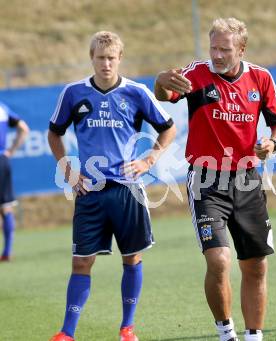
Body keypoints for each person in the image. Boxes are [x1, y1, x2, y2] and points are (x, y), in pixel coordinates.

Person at [154, 17, 276, 341]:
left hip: (246, 180)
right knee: (219, 259)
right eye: (213, 47)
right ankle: (225, 332)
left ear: (241, 49)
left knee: (256, 266)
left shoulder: (261, 78)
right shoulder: (197, 74)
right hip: (206, 180)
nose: (216, 55)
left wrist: (272, 143)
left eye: (224, 49)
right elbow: (164, 94)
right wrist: (161, 80)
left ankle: (254, 336)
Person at [47, 31, 176, 341]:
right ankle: (67, 333)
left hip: (127, 189)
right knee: (81, 261)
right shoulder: (74, 93)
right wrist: (66, 166)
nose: (105, 64)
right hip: (89, 191)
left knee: (131, 257)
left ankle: (127, 328)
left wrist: (149, 159)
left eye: (111, 58)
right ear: (91, 58)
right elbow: (54, 133)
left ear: (120, 58)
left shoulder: (137, 92)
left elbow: (168, 128)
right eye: (100, 58)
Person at [0, 101, 29, 261]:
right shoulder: (2, 108)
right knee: (5, 207)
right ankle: (7, 251)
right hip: (2, 160)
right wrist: (10, 151)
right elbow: (24, 128)